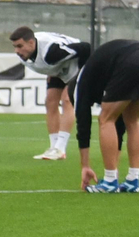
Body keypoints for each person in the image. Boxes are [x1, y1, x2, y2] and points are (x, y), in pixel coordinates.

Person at [74, 39, 139, 193]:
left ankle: (110, 181)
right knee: (132, 119)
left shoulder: (82, 83)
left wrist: (85, 165)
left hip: (134, 60)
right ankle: (133, 180)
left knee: (105, 119)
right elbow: (119, 123)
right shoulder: (100, 70)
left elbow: (83, 123)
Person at [9, 27, 89, 160]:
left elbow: (86, 48)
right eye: (15, 47)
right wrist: (51, 72)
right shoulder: (26, 55)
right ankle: (53, 148)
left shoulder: (51, 52)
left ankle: (60, 149)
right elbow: (45, 63)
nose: (16, 51)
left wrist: (81, 72)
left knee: (67, 100)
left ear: (31, 43)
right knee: (50, 102)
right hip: (60, 68)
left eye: (19, 46)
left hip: (80, 65)